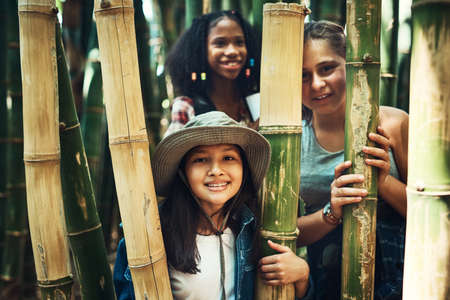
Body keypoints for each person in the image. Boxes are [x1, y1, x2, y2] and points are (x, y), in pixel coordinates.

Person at [114, 111, 313, 300]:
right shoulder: (151, 237)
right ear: (183, 172)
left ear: (243, 168)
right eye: (200, 159)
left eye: (228, 158)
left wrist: (302, 276)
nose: (216, 170)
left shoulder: (255, 227)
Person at [296, 21, 409, 300]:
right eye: (303, 75)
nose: (317, 84)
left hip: (402, 268)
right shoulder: (290, 138)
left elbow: (435, 214)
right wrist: (331, 212)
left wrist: (382, 182)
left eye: (326, 69)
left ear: (351, 64)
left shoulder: (393, 124)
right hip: (325, 272)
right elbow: (285, 234)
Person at [164, 10, 261, 136]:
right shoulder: (188, 107)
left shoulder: (256, 103)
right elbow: (172, 154)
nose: (232, 51)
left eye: (239, 42)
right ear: (201, 51)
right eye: (220, 43)